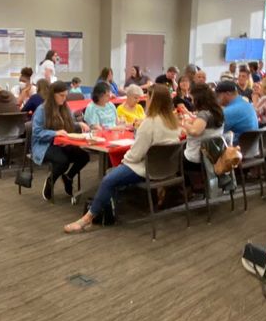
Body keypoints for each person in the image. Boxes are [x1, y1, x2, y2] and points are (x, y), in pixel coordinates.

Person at [64, 85, 181, 233]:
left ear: (154, 100)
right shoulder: (173, 122)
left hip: (146, 169)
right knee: (114, 175)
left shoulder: (149, 124)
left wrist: (123, 161)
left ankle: (87, 218)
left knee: (108, 179)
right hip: (167, 169)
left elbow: (135, 155)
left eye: (148, 97)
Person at [31, 80, 90, 200]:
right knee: (63, 161)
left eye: (65, 95)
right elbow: (37, 132)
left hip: (62, 142)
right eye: (61, 95)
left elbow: (68, 124)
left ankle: (68, 177)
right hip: (45, 145)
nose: (64, 98)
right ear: (53, 95)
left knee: (84, 156)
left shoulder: (64, 107)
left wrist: (79, 124)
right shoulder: (42, 110)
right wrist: (55, 133)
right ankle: (50, 182)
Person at [179, 83, 224, 179]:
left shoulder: (204, 114)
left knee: (173, 158)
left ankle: (183, 188)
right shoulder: (218, 112)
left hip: (197, 159)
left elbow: (195, 131)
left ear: (198, 99)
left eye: (192, 99)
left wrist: (184, 123)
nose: (191, 102)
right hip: (214, 157)